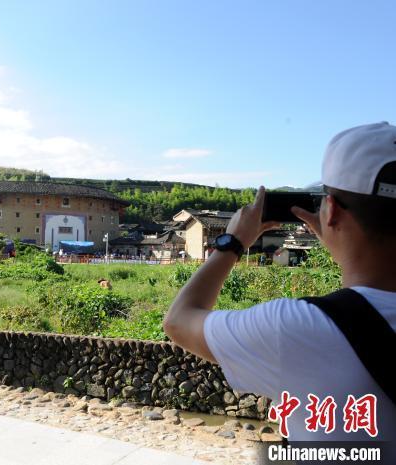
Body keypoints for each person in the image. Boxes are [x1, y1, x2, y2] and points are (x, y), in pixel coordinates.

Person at [164, 123, 395, 448]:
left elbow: (178, 320)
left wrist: (232, 243)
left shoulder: (301, 328)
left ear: (331, 212)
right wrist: (340, 239)